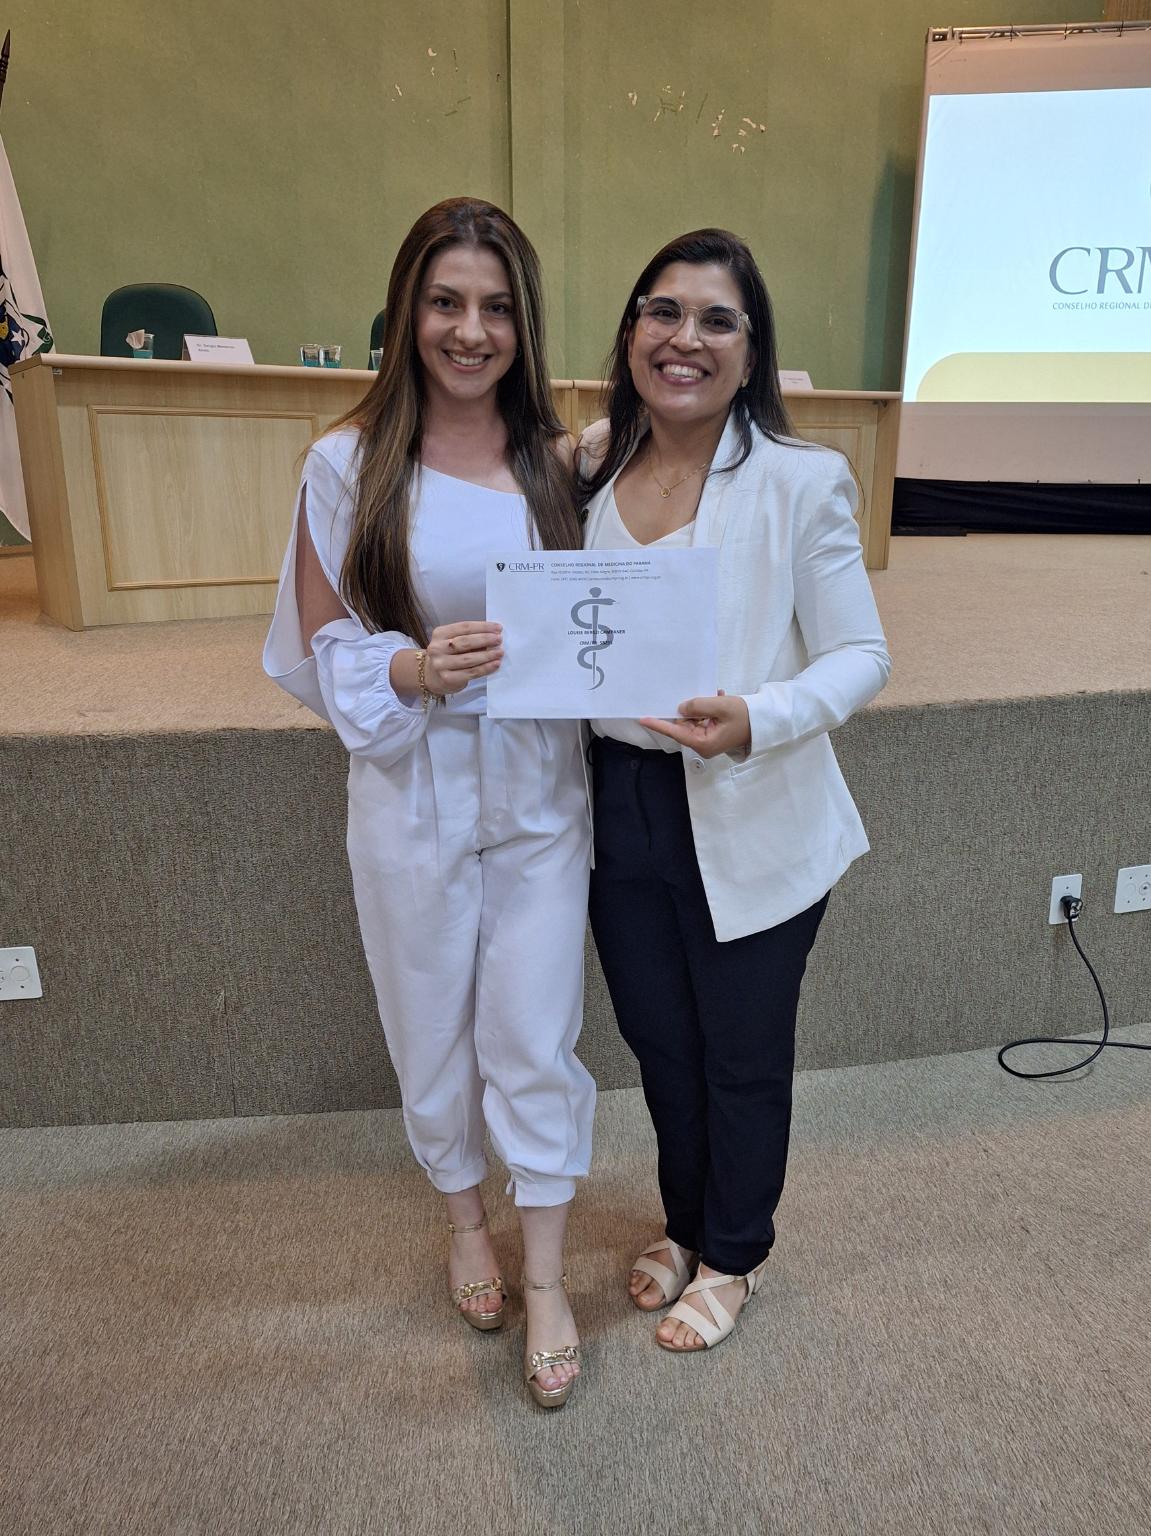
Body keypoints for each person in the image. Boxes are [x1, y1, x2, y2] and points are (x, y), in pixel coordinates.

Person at [264, 198, 592, 1407]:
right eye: (445, 302)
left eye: (495, 307)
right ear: (406, 310)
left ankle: (545, 1277)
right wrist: (409, 666)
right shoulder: (346, 463)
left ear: (523, 322)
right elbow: (320, 643)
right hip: (410, 788)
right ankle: (465, 1223)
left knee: (533, 1030)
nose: (470, 330)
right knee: (428, 1024)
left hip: (539, 788)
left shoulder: (558, 461)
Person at [580, 229, 890, 1353]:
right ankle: (683, 1223)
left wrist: (760, 717)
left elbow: (860, 654)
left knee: (740, 1056)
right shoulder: (589, 465)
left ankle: (734, 1253)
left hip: (749, 804)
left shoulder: (800, 481)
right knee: (660, 1044)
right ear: (631, 331)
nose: (685, 339)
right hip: (616, 801)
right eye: (663, 312)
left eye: (717, 320)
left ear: (750, 350)